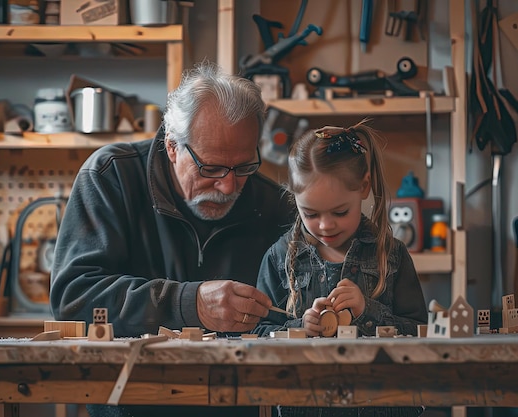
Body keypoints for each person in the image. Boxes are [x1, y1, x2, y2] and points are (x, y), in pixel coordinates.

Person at [49, 61, 293, 417]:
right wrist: (188, 304)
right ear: (172, 147)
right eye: (210, 169)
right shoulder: (111, 177)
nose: (228, 186)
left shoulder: (273, 205)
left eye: (243, 168)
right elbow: (75, 298)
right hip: (132, 404)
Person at [255, 122, 427, 417]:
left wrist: (367, 312)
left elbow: (422, 337)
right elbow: (257, 336)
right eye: (310, 213)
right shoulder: (280, 258)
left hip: (384, 406)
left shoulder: (392, 255)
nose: (325, 225)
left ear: (364, 186)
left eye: (339, 212)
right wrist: (300, 329)